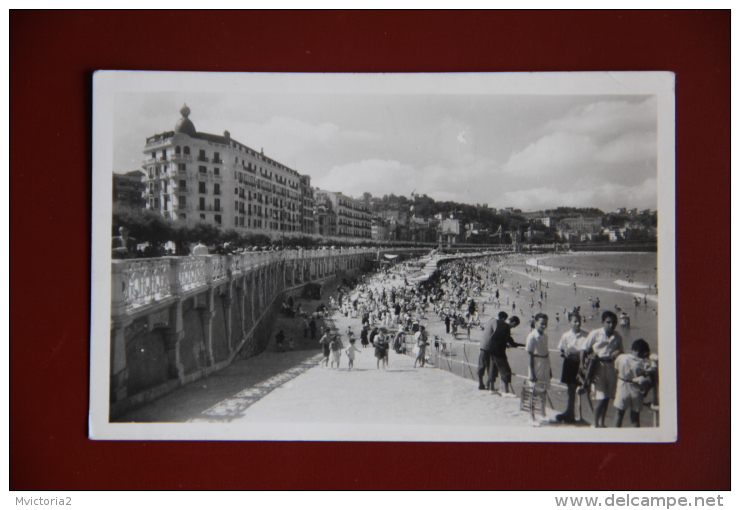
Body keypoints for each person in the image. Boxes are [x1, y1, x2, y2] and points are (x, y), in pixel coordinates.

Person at [583, 311, 624, 428]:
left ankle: (602, 423)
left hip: (611, 367)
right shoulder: (595, 334)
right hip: (597, 367)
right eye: (608, 322)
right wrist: (582, 367)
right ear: (603, 322)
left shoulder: (618, 337)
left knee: (607, 398)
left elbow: (621, 352)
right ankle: (595, 424)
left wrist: (618, 352)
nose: (611, 325)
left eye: (613, 322)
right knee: (600, 398)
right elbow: (584, 349)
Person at [555, 313, 589, 423]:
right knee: (570, 390)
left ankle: (581, 415)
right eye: (575, 321)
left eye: (579, 321)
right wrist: (565, 353)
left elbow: (589, 350)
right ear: (570, 322)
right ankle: (570, 413)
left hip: (581, 364)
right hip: (569, 363)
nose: (577, 323)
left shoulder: (586, 335)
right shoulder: (566, 335)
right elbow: (561, 349)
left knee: (582, 389)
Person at [614, 339, 655, 427]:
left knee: (619, 414)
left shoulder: (621, 357)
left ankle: (615, 435)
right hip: (636, 389)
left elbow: (616, 370)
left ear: (633, 349)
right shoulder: (644, 364)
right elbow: (652, 379)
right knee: (635, 417)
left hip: (623, 385)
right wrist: (647, 390)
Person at [488, 316, 522, 397]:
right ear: (513, 322)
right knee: (506, 370)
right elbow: (511, 342)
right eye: (515, 325)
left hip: (492, 349)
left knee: (493, 368)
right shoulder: (506, 328)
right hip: (498, 351)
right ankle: (506, 391)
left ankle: (491, 389)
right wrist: (522, 345)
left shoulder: (501, 325)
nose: (514, 327)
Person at [526, 313, 551, 390]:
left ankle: (543, 402)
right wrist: (531, 373)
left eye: (545, 324)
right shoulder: (532, 336)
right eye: (542, 324)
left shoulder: (545, 336)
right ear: (536, 323)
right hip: (536, 363)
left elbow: (546, 353)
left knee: (545, 387)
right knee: (535, 387)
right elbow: (529, 355)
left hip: (545, 363)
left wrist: (550, 370)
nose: (544, 326)